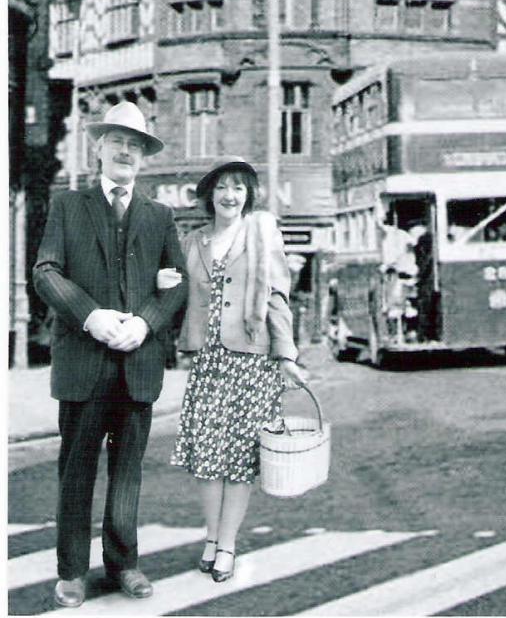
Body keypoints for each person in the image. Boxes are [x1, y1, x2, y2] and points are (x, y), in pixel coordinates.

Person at [33, 101, 188, 609]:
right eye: (117, 141)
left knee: (127, 473)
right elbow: (46, 272)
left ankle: (124, 564)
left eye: (136, 144)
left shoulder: (160, 215)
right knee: (75, 472)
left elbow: (176, 285)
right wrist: (91, 316)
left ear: (143, 157)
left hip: (137, 367)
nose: (126, 151)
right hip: (82, 364)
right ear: (97, 147)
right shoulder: (67, 206)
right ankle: (73, 572)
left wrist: (145, 321)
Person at [170, 156, 303, 583]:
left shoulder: (261, 234)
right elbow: (177, 294)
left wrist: (287, 355)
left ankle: (227, 544)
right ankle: (211, 538)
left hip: (252, 359)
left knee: (240, 461)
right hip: (207, 361)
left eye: (239, 188)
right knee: (208, 457)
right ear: (210, 194)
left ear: (249, 196)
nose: (230, 195)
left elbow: (277, 296)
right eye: (223, 188)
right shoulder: (193, 240)